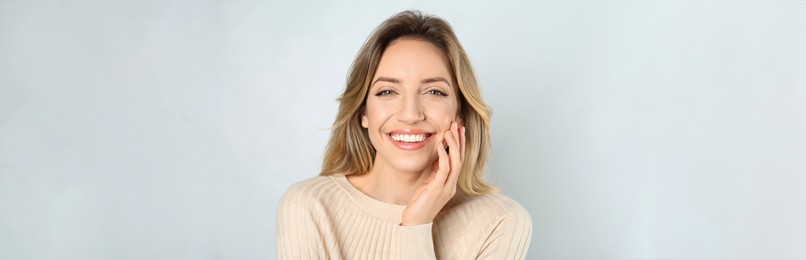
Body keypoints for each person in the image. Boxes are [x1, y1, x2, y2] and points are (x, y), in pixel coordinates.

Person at [277, 10, 532, 259]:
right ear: (363, 112)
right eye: (387, 92)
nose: (410, 114)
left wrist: (416, 227)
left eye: (434, 92)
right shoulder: (309, 207)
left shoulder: (500, 222)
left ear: (460, 114)